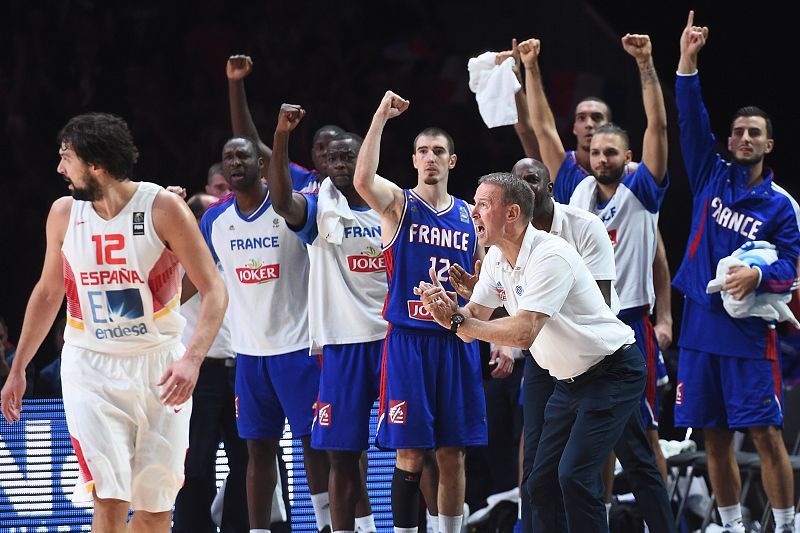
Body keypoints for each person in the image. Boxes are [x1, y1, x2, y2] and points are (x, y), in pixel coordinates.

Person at [0, 113, 227, 533]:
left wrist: (192, 360)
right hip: (92, 365)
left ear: (96, 166)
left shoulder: (163, 209)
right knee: (108, 497)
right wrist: (18, 369)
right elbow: (49, 293)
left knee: (155, 507)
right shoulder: (64, 214)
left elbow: (215, 289)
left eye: (66, 158)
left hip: (159, 367)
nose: (59, 169)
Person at [415, 172, 659, 532]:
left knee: (576, 476)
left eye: (483, 204)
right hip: (569, 382)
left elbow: (524, 332)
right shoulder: (497, 259)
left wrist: (458, 323)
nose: (473, 212)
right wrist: (448, 313)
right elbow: (472, 320)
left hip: (613, 372)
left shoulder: (551, 254)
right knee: (540, 484)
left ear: (512, 213)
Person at [519, 34, 671, 483]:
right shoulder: (573, 187)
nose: (602, 156)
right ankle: (596, 516)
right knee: (593, 434)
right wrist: (531, 67)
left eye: (612, 152)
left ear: (628, 157)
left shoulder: (643, 188)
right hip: (582, 322)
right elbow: (544, 131)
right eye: (596, 150)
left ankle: (653, 521)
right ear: (586, 152)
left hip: (629, 321)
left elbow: (658, 128)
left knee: (644, 434)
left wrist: (645, 64)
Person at [674, 12, 800, 533]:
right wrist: (687, 60)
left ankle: (789, 525)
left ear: (769, 145)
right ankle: (730, 526)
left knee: (766, 434)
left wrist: (759, 279)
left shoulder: (782, 206)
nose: (743, 137)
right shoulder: (710, 174)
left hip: (748, 334)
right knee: (713, 436)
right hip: (700, 327)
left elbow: (791, 269)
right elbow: (688, 117)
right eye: (738, 131)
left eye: (755, 133)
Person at [353, 91, 487, 533]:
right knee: (409, 453)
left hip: (456, 339)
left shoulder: (470, 217)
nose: (431, 158)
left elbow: (489, 286)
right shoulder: (399, 205)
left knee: (453, 452)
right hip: (409, 342)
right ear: (413, 160)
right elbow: (361, 179)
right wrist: (379, 116)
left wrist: (496, 339)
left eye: (439, 152)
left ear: (452, 161)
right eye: (424, 151)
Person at [190, 134, 330, 533]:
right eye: (227, 156)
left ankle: (323, 525)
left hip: (299, 348)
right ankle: (258, 529)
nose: (235, 162)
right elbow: (197, 280)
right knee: (257, 450)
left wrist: (282, 133)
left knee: (311, 445)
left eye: (243, 155)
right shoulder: (215, 219)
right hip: (249, 354)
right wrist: (156, 303)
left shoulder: (289, 207)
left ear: (260, 163)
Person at [267, 104, 379, 533]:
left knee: (415, 450)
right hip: (341, 343)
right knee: (341, 454)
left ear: (364, 158)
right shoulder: (317, 209)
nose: (339, 163)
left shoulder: (393, 204)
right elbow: (280, 200)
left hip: (392, 341)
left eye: (347, 155)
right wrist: (281, 135)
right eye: (331, 158)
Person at [173, 192, 249, 533]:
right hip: (198, 373)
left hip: (241, 369)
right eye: (208, 213)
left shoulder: (238, 252)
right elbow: (174, 296)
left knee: (246, 459)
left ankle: (235, 527)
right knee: (196, 463)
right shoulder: (177, 259)